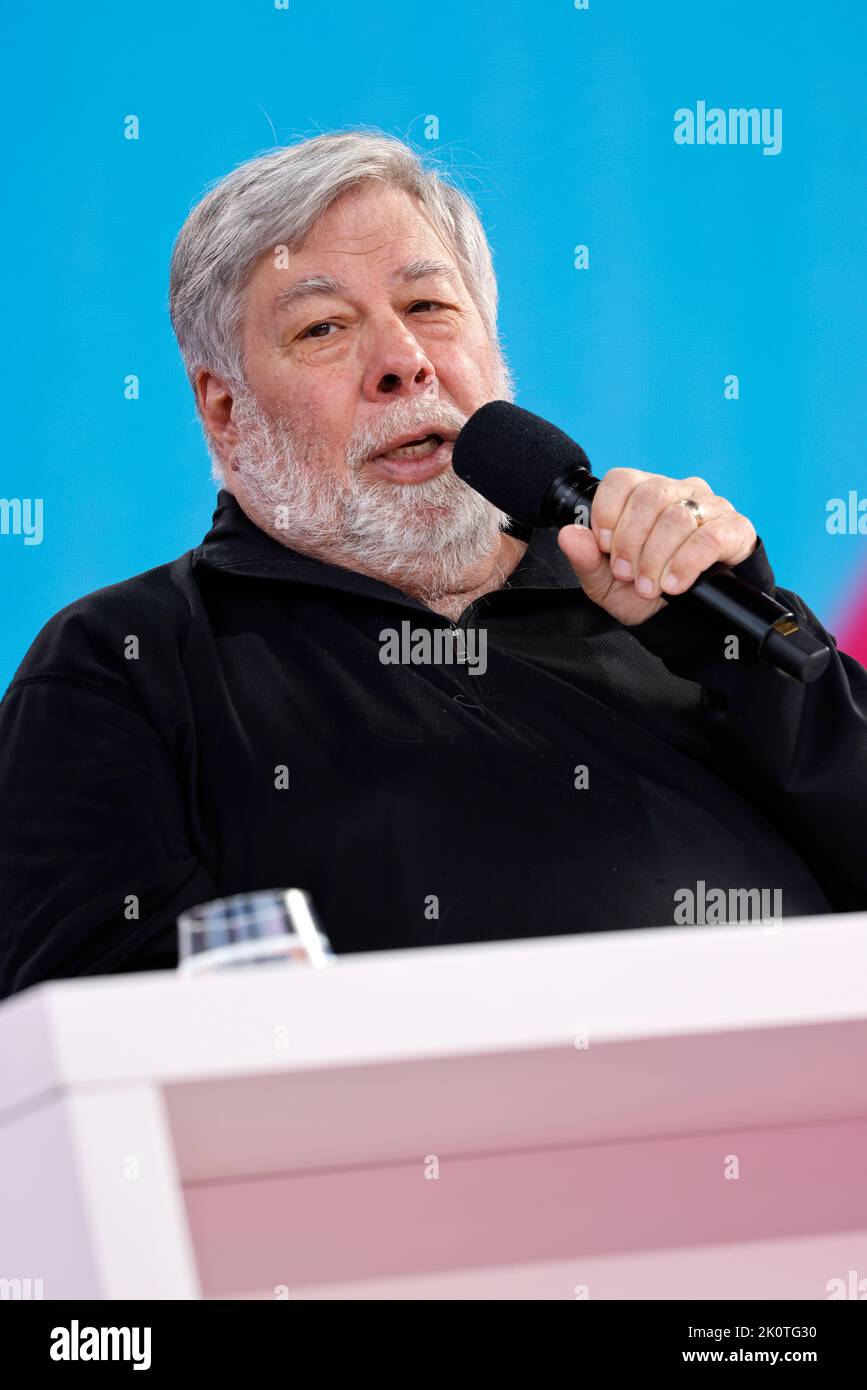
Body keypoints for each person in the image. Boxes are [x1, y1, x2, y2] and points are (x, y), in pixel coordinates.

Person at [1, 130, 865, 998]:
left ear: (491, 349)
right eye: (323, 327)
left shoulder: (682, 611)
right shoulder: (124, 665)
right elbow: (95, 1057)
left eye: (428, 309)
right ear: (223, 410)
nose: (403, 364)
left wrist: (746, 651)